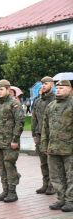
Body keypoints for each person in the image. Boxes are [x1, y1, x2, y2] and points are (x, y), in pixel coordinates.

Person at [0, 79, 24, 203]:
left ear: (8, 90)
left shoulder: (14, 103)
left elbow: (19, 123)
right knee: (2, 167)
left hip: (10, 143)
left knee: (9, 166)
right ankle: (5, 190)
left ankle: (12, 192)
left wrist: (15, 140)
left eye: (1, 89)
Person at [41, 80, 73, 212]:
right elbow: (45, 127)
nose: (58, 90)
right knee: (56, 175)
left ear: (70, 89)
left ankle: (70, 200)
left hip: (69, 148)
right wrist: (44, 144)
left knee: (70, 175)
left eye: (62, 88)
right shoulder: (51, 105)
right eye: (58, 88)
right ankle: (61, 198)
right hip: (54, 147)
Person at [31, 76, 56, 195]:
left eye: (46, 83)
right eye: (42, 84)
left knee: (52, 162)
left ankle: (53, 185)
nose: (43, 86)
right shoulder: (38, 100)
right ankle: (45, 184)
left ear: (52, 84)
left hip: (52, 136)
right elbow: (34, 118)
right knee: (43, 162)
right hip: (40, 135)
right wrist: (34, 134)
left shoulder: (55, 100)